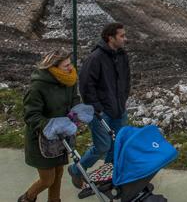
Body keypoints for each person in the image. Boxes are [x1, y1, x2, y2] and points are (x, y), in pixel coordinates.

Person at [68, 22, 130, 188]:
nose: (125, 39)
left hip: (119, 109)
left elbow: (126, 79)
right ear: (110, 38)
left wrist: (123, 98)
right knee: (103, 146)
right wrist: (97, 109)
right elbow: (86, 85)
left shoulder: (122, 55)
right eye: (122, 36)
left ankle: (108, 177)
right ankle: (76, 169)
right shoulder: (95, 58)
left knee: (117, 146)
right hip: (101, 112)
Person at [19, 49, 81, 202]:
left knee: (59, 173)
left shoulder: (69, 80)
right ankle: (27, 198)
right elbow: (31, 115)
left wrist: (74, 114)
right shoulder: (38, 87)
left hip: (61, 137)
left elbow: (75, 99)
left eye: (70, 63)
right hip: (42, 138)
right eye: (66, 65)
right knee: (47, 179)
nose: (70, 67)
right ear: (53, 67)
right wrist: (52, 126)